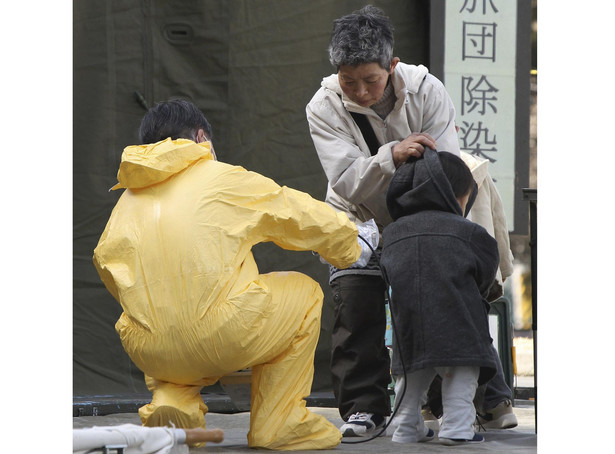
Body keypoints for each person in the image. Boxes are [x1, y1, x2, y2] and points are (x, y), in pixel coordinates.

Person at [93, 99, 370, 450]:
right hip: (222, 331)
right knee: (303, 293)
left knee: (160, 322)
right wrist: (349, 246)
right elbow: (295, 213)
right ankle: (279, 424)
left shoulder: (125, 203)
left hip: (149, 349)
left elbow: (107, 267)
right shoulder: (223, 178)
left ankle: (173, 403)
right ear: (201, 137)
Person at [305, 4, 516, 436]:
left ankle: (478, 401)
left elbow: (447, 170)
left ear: (392, 65)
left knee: (447, 288)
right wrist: (394, 155)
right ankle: (365, 408)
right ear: (336, 74)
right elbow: (346, 180)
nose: (361, 92)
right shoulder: (323, 106)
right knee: (356, 296)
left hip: (428, 211)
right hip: (357, 215)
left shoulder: (427, 90)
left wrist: (420, 228)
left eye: (371, 80)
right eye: (350, 82)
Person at [380, 149, 498, 445]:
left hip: (408, 323)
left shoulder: (393, 233)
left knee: (411, 379)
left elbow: (387, 274)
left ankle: (406, 428)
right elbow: (486, 273)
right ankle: (457, 428)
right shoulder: (469, 232)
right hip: (458, 320)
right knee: (460, 372)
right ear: (454, 195)